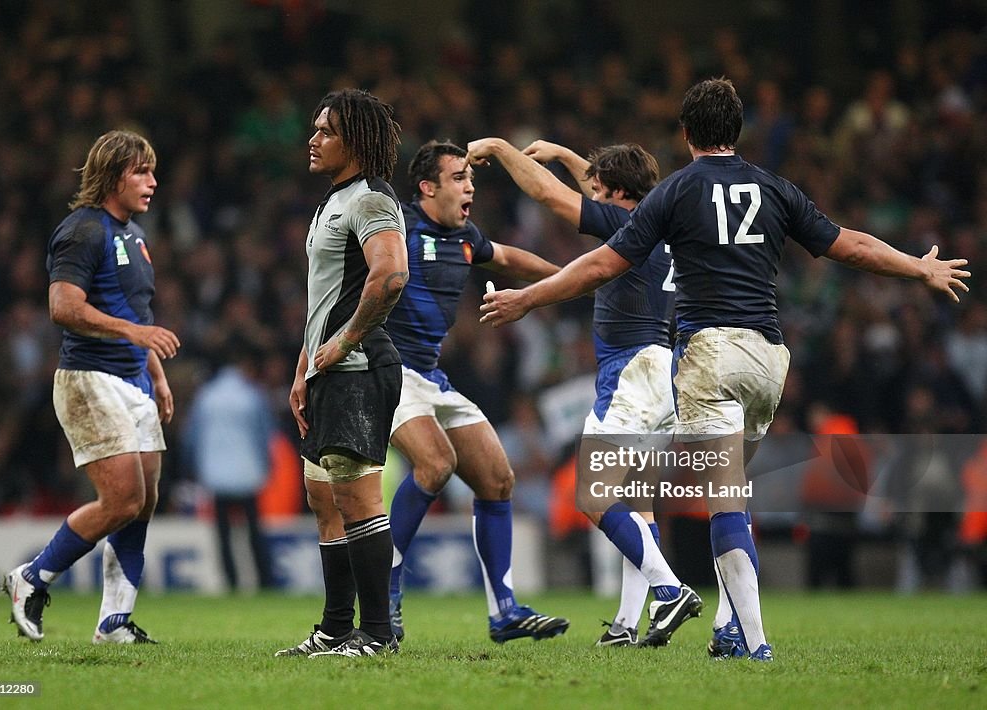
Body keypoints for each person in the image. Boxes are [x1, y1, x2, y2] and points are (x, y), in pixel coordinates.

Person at [480, 78, 970, 661]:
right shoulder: (773, 187)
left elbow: (597, 265)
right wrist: (917, 267)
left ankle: (750, 640)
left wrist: (525, 299)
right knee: (722, 492)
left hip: (708, 356)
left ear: (686, 134)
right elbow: (851, 245)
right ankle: (723, 625)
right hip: (768, 361)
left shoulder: (676, 194)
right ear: (737, 133)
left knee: (712, 501)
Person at [466, 136, 701, 647]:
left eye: (598, 188)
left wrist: (503, 151)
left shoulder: (628, 224)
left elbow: (552, 198)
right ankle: (624, 626)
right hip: (663, 373)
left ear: (617, 193)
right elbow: (593, 189)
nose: (590, 194)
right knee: (636, 504)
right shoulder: (662, 226)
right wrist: (570, 156)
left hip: (631, 372)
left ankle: (671, 591)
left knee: (594, 494)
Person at [384, 140, 569, 644]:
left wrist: (568, 279)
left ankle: (503, 611)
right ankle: (384, 592)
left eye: (471, 179)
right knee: (435, 465)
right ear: (427, 187)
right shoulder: (394, 224)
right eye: (459, 178)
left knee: (497, 478)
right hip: (386, 371)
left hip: (431, 377)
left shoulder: (465, 236)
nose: (470, 187)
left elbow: (507, 256)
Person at [4, 130, 180, 644]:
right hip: (89, 379)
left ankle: (114, 623)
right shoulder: (82, 231)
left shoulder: (135, 235)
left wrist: (157, 372)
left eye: (152, 171)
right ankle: (31, 577)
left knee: (143, 502)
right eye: (141, 172)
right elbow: (62, 306)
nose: (153, 181)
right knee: (123, 499)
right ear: (113, 176)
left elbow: (136, 314)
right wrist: (133, 334)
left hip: (134, 381)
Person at [275, 89, 408, 659]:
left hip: (358, 366)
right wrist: (304, 366)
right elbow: (327, 295)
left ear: (353, 140)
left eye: (325, 130)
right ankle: (334, 629)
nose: (313, 139)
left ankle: (377, 633)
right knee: (322, 497)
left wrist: (344, 342)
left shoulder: (372, 198)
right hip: (328, 370)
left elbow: (390, 275)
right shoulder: (335, 199)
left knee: (357, 500)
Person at [184, 339, 276, 591]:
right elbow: (265, 436)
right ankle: (264, 580)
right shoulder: (252, 395)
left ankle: (232, 582)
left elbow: (191, 437)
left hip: (216, 475)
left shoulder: (206, 396)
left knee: (223, 533)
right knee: (254, 530)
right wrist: (267, 466)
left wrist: (193, 467)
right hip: (248, 473)